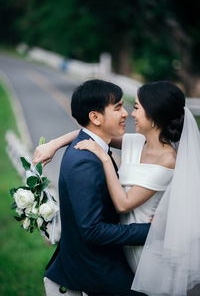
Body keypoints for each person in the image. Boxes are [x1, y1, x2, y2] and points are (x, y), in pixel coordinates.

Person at [34, 80, 200, 295]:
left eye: (136, 107)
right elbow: (91, 131)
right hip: (123, 246)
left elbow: (123, 203)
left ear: (154, 115)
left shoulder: (168, 159)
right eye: (120, 107)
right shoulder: (133, 142)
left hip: (145, 247)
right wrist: (54, 144)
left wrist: (104, 158)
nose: (129, 113)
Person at [39, 79, 150, 296]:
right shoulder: (84, 162)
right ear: (95, 117)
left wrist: (55, 143)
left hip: (106, 261)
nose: (126, 113)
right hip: (98, 270)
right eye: (117, 107)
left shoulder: (96, 146)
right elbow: (92, 230)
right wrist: (150, 231)